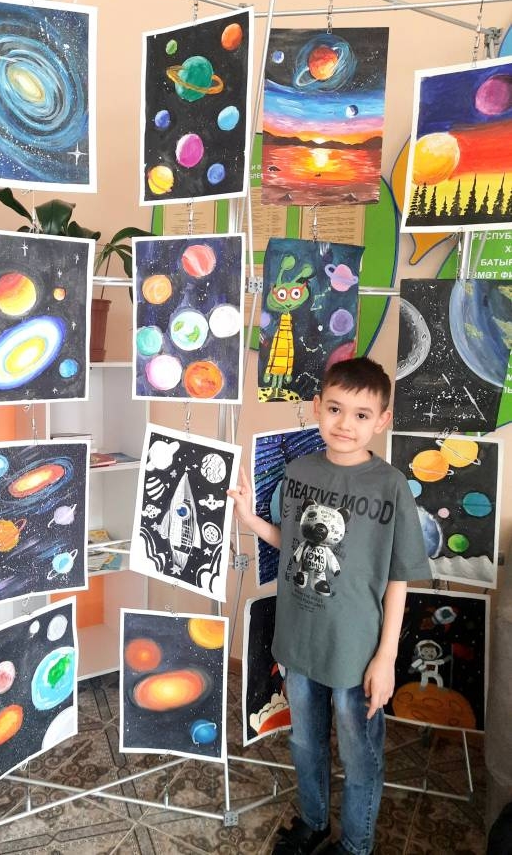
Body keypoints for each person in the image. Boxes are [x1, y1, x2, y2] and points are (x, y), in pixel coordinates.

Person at [229, 357, 431, 855]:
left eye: (362, 414)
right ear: (318, 407)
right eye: (336, 409)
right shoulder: (299, 471)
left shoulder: (390, 486)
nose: (345, 423)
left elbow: (399, 579)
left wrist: (386, 659)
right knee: (305, 743)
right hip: (300, 642)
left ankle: (356, 845)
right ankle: (314, 821)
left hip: (356, 653)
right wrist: (251, 521)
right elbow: (294, 544)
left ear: (382, 420)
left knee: (359, 754)